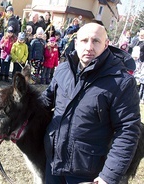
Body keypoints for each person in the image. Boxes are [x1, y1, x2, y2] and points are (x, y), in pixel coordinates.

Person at [41, 23, 141, 184]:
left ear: (106, 44)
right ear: (76, 43)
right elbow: (45, 102)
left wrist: (107, 177)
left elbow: (127, 130)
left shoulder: (121, 82)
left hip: (88, 172)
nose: (89, 46)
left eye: (95, 41)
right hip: (53, 164)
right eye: (84, 40)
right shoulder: (62, 70)